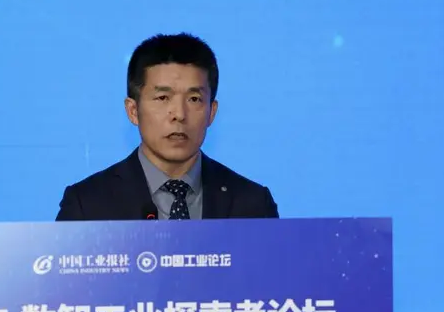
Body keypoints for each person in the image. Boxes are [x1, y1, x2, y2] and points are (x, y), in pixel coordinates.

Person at [55, 32, 279, 221]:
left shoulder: (253, 205)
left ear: (212, 112)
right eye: (162, 98)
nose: (179, 115)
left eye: (194, 99)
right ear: (133, 111)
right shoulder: (87, 204)